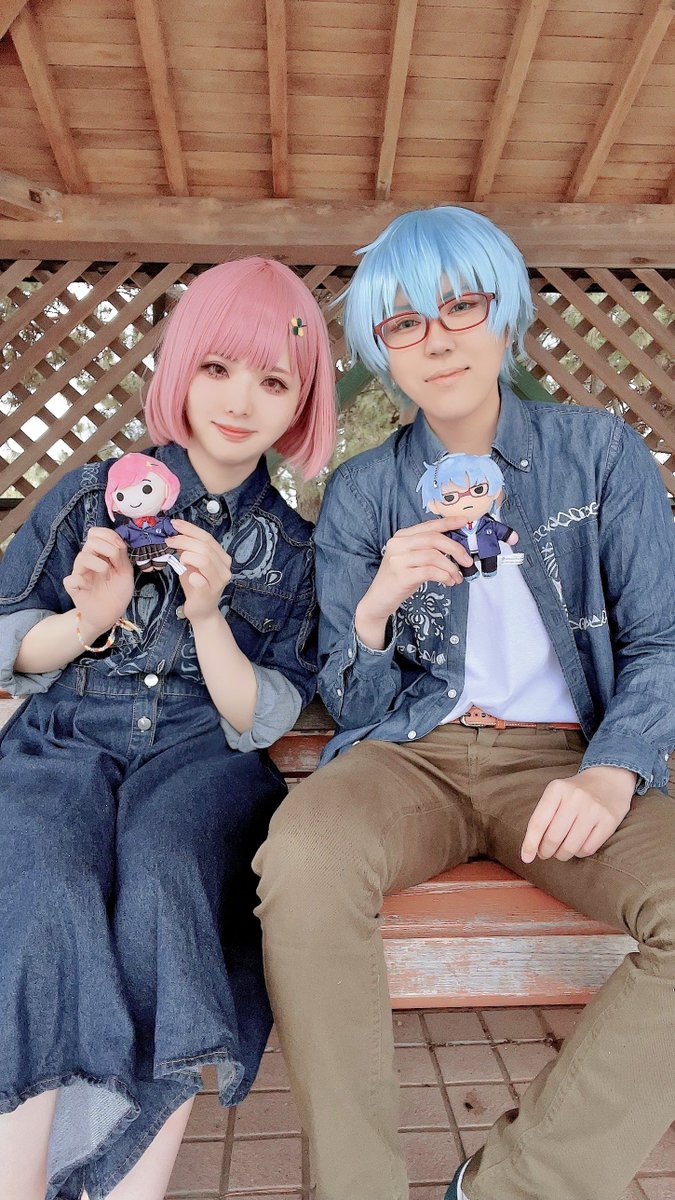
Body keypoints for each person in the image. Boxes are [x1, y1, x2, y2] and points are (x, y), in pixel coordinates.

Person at [253, 207, 675, 1200]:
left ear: (506, 314)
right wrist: (374, 608)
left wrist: (614, 768)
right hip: (413, 756)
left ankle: (514, 1188)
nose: (436, 339)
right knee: (303, 860)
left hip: (564, 759)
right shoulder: (364, 492)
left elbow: (660, 641)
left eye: (461, 307)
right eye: (403, 322)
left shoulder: (597, 454)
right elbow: (349, 698)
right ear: (381, 350)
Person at [0, 257, 336, 1200]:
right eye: (218, 368)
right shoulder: (88, 497)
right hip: (62, 742)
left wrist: (208, 614)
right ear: (181, 367)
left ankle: (125, 1185)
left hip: (201, 760)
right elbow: (9, 638)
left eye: (273, 381)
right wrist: (86, 621)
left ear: (301, 402)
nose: (239, 401)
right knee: (44, 878)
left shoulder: (293, 549)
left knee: (164, 879)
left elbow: (258, 715)